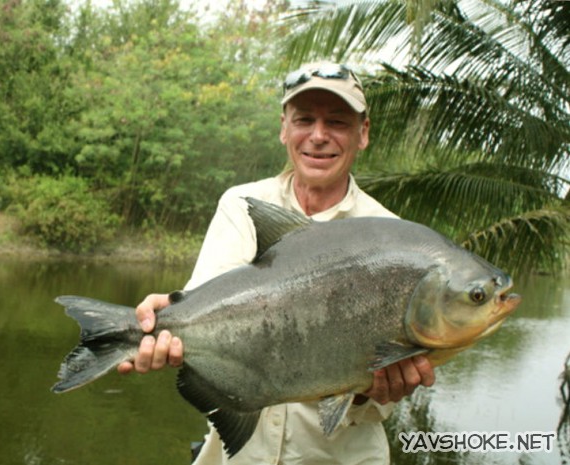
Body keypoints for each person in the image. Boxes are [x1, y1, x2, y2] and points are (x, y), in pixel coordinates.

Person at [118, 62, 436, 464]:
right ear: (284, 128)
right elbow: (206, 314)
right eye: (304, 120)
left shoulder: (396, 242)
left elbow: (380, 402)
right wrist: (164, 322)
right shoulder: (241, 205)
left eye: (337, 122)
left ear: (363, 133)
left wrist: (367, 391)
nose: (318, 136)